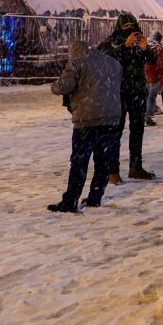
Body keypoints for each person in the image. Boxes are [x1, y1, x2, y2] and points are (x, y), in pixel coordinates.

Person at [48, 41, 122, 213]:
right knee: (103, 161)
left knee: (79, 162)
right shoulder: (113, 62)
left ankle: (70, 201)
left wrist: (54, 86)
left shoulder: (77, 62)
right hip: (111, 118)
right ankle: (95, 197)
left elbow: (64, 86)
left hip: (87, 118)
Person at [97, 13, 156, 183]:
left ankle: (135, 167)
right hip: (118, 93)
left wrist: (145, 48)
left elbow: (152, 61)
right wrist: (125, 45)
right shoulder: (112, 42)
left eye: (132, 26)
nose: (130, 30)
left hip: (137, 92)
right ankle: (112, 171)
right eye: (126, 27)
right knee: (115, 133)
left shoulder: (140, 42)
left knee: (137, 132)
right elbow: (106, 59)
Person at [143, 31, 163, 126]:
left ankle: (145, 115)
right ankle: (147, 117)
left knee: (146, 95)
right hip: (154, 74)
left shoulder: (144, 44)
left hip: (145, 73)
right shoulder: (158, 47)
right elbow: (159, 63)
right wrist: (161, 74)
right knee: (151, 96)